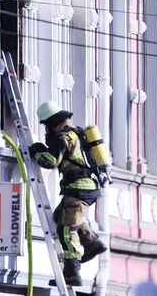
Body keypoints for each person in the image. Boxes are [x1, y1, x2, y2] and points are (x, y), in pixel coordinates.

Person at [29, 100, 107, 286]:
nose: (47, 130)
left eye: (47, 125)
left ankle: (72, 272)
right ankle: (92, 242)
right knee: (62, 216)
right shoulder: (77, 133)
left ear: (52, 122)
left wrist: (36, 151)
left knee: (65, 229)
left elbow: (50, 161)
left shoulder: (63, 137)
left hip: (78, 187)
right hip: (88, 186)